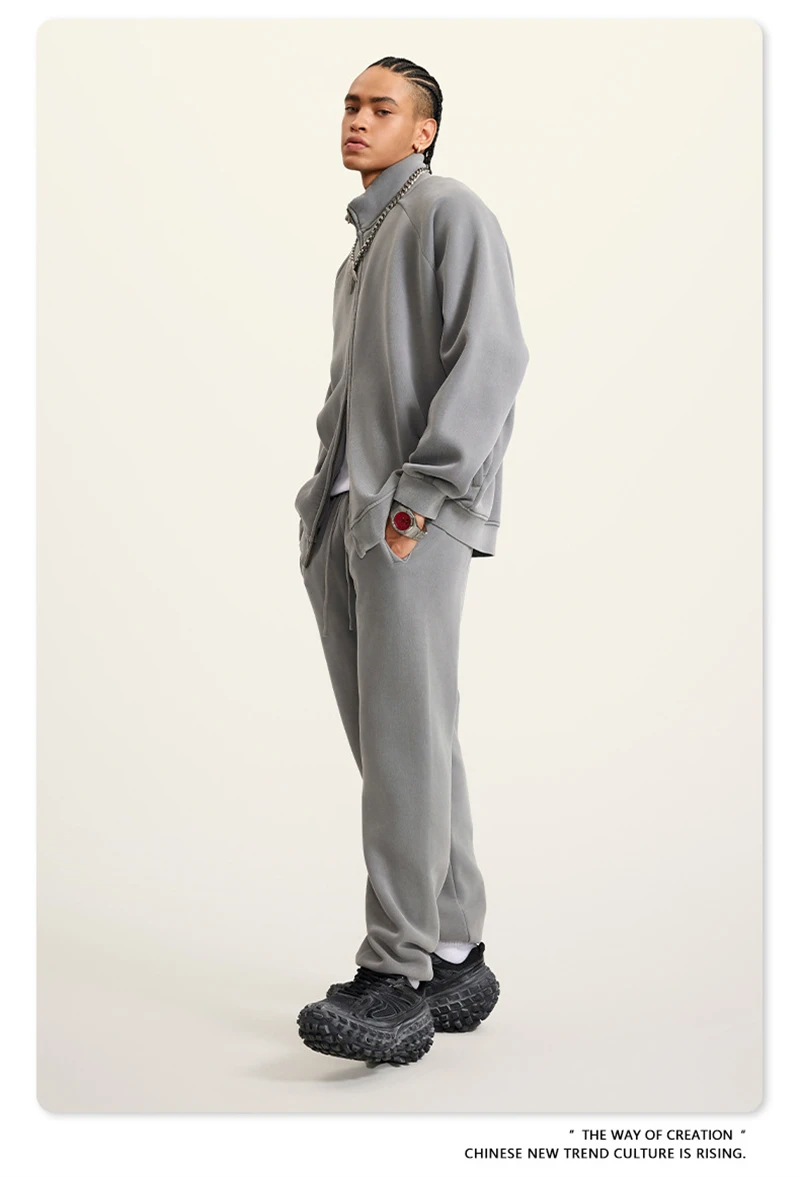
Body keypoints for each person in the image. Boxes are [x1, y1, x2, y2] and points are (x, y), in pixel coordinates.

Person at [294, 55, 529, 1067]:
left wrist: (421, 496)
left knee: (403, 741)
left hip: (408, 522)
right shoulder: (363, 243)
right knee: (408, 741)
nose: (357, 119)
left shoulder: (445, 210)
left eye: (380, 107)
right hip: (349, 518)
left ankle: (393, 974)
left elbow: (495, 355)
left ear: (422, 130)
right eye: (350, 104)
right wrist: (322, 500)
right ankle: (454, 947)